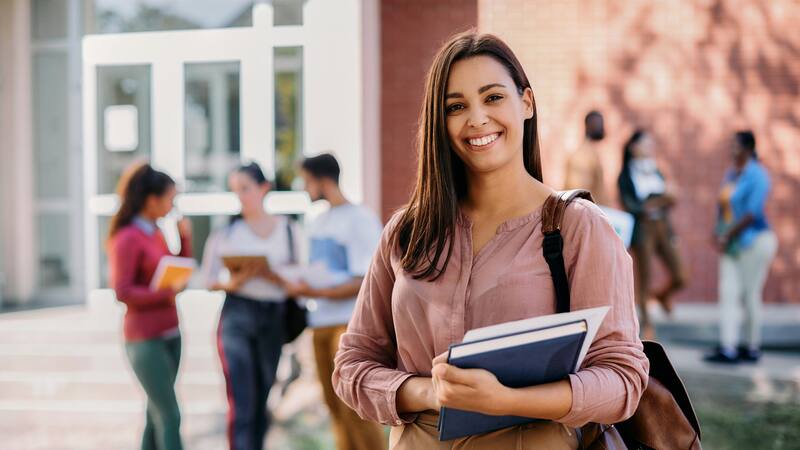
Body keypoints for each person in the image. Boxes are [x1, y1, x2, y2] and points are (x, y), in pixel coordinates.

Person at [331, 32, 648, 449]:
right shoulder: (406, 233)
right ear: (439, 123)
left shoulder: (579, 228)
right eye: (456, 107)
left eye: (493, 97)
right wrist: (430, 391)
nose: (476, 118)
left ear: (527, 103)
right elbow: (351, 366)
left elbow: (622, 379)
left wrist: (508, 400)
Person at [284, 153, 387, 450]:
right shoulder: (317, 220)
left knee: (356, 410)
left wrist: (315, 292)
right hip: (319, 324)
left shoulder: (360, 219)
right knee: (334, 409)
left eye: (307, 181)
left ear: (323, 180)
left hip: (349, 326)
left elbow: (367, 280)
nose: (304, 188)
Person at [200, 162, 299, 450]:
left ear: (264, 188)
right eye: (235, 191)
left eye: (245, 189)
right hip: (237, 315)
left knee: (262, 400)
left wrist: (274, 275)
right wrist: (232, 282)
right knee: (242, 401)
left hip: (274, 316)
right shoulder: (227, 232)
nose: (240, 196)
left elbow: (300, 282)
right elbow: (209, 279)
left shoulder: (289, 230)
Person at [107, 162, 193, 450]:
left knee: (154, 413)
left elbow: (178, 271)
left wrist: (185, 238)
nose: (172, 206)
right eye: (170, 199)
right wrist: (167, 293)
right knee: (169, 414)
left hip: (170, 332)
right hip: (145, 339)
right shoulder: (127, 238)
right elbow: (123, 291)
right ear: (151, 200)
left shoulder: (155, 232)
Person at [705, 131, 777, 364]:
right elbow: (724, 207)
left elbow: (752, 213)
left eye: (735, 145)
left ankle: (751, 346)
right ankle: (728, 347)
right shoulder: (731, 175)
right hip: (731, 245)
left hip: (755, 241)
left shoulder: (758, 175)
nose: (731, 149)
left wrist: (727, 234)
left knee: (749, 294)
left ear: (748, 148)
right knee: (728, 292)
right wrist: (718, 233)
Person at [618, 130, 686, 339]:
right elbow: (631, 205)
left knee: (681, 275)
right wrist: (659, 201)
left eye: (651, 144)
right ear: (633, 147)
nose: (649, 148)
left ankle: (663, 295)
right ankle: (647, 326)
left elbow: (671, 198)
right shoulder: (626, 174)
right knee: (644, 279)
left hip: (662, 227)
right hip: (643, 229)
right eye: (645, 144)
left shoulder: (656, 169)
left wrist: (658, 202)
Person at [564, 110, 608, 205]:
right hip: (588, 210)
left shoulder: (592, 152)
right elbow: (578, 194)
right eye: (599, 124)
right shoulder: (582, 155)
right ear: (590, 125)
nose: (603, 128)